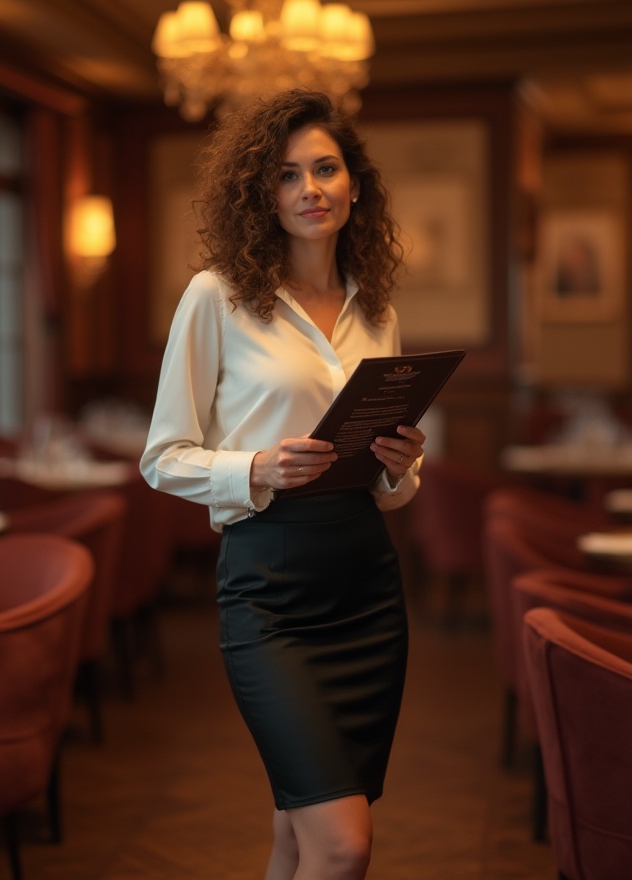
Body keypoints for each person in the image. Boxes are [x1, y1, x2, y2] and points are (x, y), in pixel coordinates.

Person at [140, 89, 425, 880]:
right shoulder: (216, 296)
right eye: (288, 175)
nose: (311, 188)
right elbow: (162, 456)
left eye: (326, 169)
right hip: (267, 588)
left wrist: (403, 465)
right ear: (262, 195)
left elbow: (392, 489)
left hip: (367, 586)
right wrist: (256, 468)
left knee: (298, 835)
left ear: (354, 184)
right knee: (343, 843)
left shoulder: (379, 308)